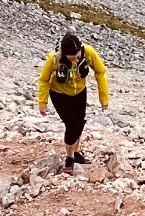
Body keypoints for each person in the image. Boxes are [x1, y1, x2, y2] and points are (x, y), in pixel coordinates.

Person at [37, 31, 109, 173]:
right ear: (64, 54)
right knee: (72, 125)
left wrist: (104, 97)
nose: (76, 59)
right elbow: (44, 79)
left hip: (79, 92)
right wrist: (42, 102)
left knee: (80, 122)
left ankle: (76, 153)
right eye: (72, 57)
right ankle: (69, 158)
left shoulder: (88, 52)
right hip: (59, 94)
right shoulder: (54, 58)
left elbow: (100, 71)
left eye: (78, 56)